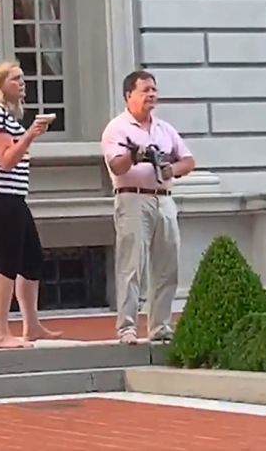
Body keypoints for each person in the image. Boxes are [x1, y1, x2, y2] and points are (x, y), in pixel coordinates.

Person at [0, 60, 63, 348]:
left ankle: (31, 326)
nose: (22, 84)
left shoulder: (4, 115)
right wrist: (29, 135)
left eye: (22, 78)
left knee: (32, 258)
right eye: (15, 79)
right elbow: (6, 161)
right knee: (7, 262)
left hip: (12, 195)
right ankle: (0, 332)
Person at [100, 70, 196, 345]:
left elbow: (188, 161)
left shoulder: (164, 129)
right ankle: (127, 327)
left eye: (154, 89)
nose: (151, 95)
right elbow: (116, 165)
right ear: (129, 95)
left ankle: (160, 326)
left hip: (164, 199)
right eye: (145, 90)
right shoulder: (117, 129)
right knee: (132, 265)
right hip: (132, 198)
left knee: (168, 266)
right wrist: (136, 154)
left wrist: (171, 169)